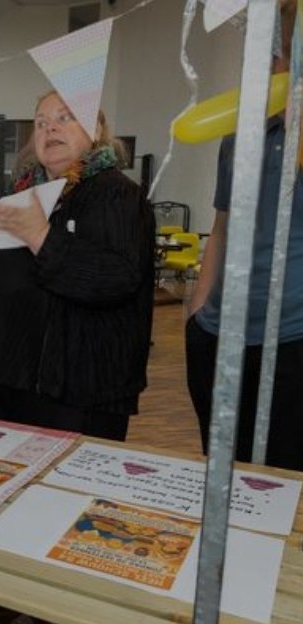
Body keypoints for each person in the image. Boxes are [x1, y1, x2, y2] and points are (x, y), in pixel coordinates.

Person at [0, 92, 155, 441]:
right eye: (41, 122)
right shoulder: (25, 193)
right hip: (7, 378)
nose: (51, 129)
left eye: (64, 118)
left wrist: (42, 237)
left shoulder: (117, 194)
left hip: (77, 389)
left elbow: (117, 279)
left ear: (96, 127)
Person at [185, 0, 301, 471]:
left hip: (292, 339)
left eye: (280, 56)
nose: (270, 70)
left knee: (286, 476)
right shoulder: (237, 137)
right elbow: (222, 225)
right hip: (220, 334)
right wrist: (197, 311)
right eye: (260, 57)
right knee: (224, 469)